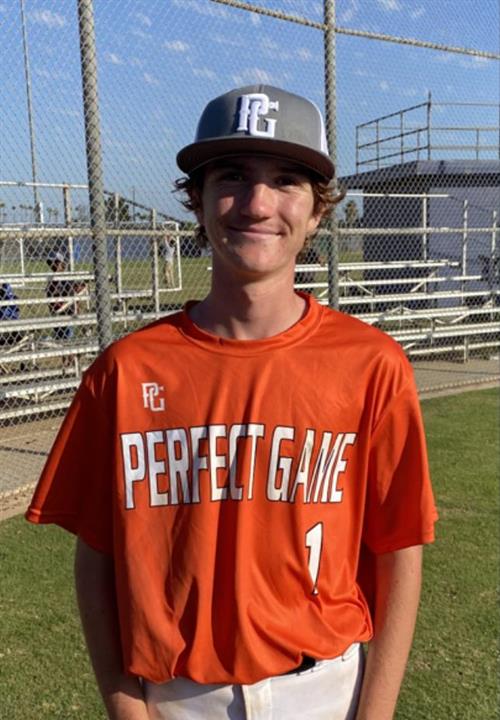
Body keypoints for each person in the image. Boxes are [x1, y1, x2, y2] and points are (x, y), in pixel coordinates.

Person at [26, 85, 437, 720]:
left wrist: (375, 712)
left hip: (328, 689)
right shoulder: (127, 370)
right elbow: (97, 557)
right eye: (233, 176)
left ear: (318, 210)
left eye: (287, 180)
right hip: (176, 698)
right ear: (197, 198)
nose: (257, 203)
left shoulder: (372, 365)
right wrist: (127, 709)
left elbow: (398, 551)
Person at [45, 250, 86, 343]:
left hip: (67, 310)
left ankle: (69, 341)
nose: (53, 265)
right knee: (60, 335)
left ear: (61, 263)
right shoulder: (52, 279)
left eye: (56, 262)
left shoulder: (66, 276)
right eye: (51, 263)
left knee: (66, 336)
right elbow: (50, 294)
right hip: (57, 310)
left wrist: (80, 287)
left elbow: (75, 289)